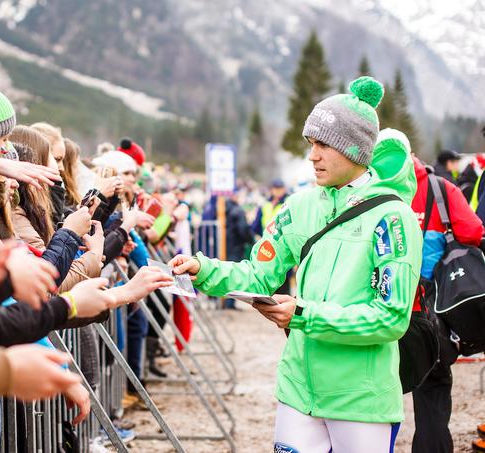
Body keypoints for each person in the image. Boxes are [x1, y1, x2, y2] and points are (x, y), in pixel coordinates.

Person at [170, 76, 422, 452]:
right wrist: (204, 269)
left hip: (361, 401)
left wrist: (304, 314)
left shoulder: (394, 218)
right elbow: (258, 273)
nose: (312, 155)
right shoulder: (300, 205)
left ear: (353, 150)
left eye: (323, 144)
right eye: (310, 144)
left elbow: (390, 317)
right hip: (298, 390)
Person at [406, 130, 485, 453]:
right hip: (430, 308)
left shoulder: (368, 189)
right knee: (432, 389)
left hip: (377, 307)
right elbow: (473, 231)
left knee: (368, 399)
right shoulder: (440, 187)